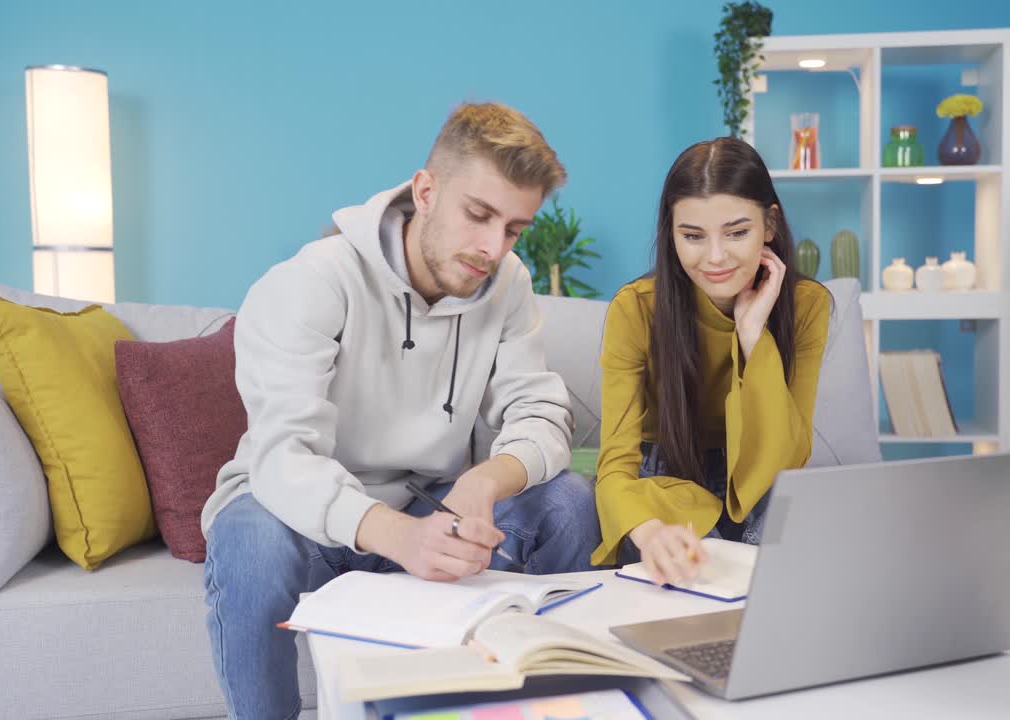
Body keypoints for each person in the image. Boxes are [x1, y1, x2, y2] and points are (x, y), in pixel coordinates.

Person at [200, 102, 601, 719]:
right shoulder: (308, 283)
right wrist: (399, 537)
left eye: (514, 229)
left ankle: (552, 703)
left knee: (568, 500)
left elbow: (540, 410)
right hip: (301, 519)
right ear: (427, 190)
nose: (493, 248)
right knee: (250, 535)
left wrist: (484, 480)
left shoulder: (508, 283)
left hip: (428, 501)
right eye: (479, 215)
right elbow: (284, 459)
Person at [591, 137, 832, 585]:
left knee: (786, 581)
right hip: (663, 481)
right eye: (693, 236)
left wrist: (753, 335)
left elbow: (787, 455)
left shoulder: (808, 305)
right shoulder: (635, 308)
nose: (716, 257)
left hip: (764, 477)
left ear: (770, 225)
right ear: (671, 234)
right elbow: (616, 465)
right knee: (688, 585)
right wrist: (650, 532)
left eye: (737, 232)